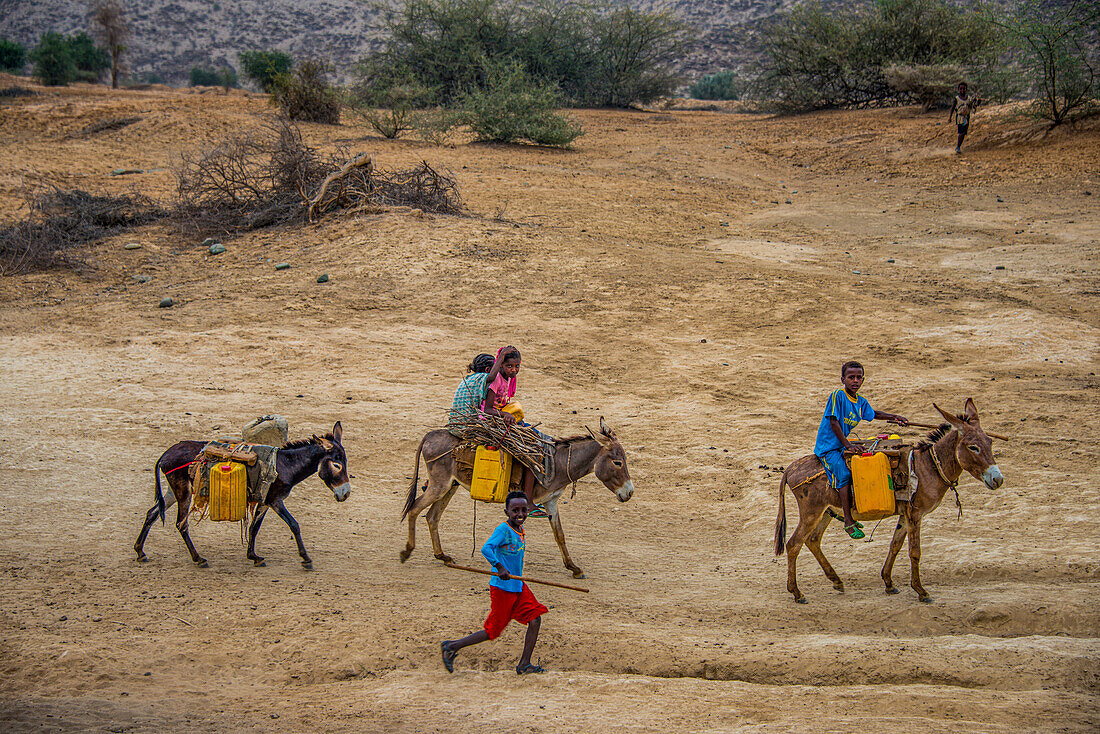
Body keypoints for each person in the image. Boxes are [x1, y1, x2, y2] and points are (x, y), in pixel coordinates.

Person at [441, 491, 548, 675]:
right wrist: (499, 567)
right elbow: (486, 548)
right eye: (515, 511)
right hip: (502, 588)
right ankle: (451, 646)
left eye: (523, 510)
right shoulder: (503, 530)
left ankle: (524, 664)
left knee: (535, 619)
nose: (520, 514)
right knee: (493, 631)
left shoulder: (520, 530)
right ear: (507, 512)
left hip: (518, 586)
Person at [813, 361, 908, 539]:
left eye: (858, 378)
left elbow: (874, 414)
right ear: (843, 379)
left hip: (842, 445)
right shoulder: (838, 396)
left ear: (863, 380)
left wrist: (895, 417)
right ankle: (848, 520)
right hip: (829, 447)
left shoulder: (860, 401)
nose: (855, 381)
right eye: (851, 377)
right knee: (844, 475)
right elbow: (833, 421)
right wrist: (848, 445)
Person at [481, 346, 546, 516]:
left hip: (503, 419)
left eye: (517, 366)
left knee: (534, 436)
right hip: (492, 422)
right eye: (510, 366)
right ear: (501, 365)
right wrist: (504, 414)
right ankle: (529, 501)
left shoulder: (508, 379)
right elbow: (487, 410)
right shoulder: (496, 381)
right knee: (530, 452)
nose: (514, 370)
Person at [448, 352, 495, 431]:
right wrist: (502, 356)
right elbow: (491, 377)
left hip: (454, 425)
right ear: (487, 370)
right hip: (466, 427)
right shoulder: (481, 377)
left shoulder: (468, 379)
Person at [948, 82, 979, 154]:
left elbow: (974, 105)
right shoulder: (956, 99)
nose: (962, 90)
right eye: (961, 89)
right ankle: (958, 147)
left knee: (964, 132)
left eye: (964, 89)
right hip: (960, 117)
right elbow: (952, 108)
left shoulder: (969, 98)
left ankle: (958, 146)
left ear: (966, 89)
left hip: (967, 117)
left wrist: (978, 102)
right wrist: (950, 117)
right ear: (958, 90)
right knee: (961, 132)